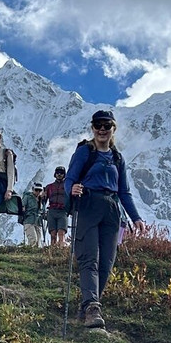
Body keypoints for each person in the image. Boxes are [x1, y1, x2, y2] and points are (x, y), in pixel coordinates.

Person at [64, 110, 145, 328]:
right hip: (88, 205)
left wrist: (135, 217)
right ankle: (92, 307)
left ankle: (88, 306)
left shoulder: (118, 158)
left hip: (112, 211)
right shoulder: (84, 152)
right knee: (89, 258)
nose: (102, 129)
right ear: (92, 128)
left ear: (113, 129)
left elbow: (124, 192)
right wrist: (72, 189)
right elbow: (70, 179)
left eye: (106, 125)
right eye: (98, 125)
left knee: (107, 262)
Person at [45, 166, 69, 246]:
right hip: (52, 211)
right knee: (53, 234)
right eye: (58, 173)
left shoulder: (67, 186)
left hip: (63, 211)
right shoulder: (49, 187)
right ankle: (53, 252)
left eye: (61, 173)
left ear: (64, 174)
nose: (59, 174)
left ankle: (60, 251)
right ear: (55, 174)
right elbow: (44, 199)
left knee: (61, 233)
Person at [22, 182, 46, 247]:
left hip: (38, 221)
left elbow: (42, 210)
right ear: (33, 189)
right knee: (33, 239)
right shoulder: (27, 197)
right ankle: (30, 253)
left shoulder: (41, 199)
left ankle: (35, 255)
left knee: (38, 242)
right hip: (29, 220)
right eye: (36, 190)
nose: (38, 192)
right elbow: (22, 206)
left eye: (40, 190)